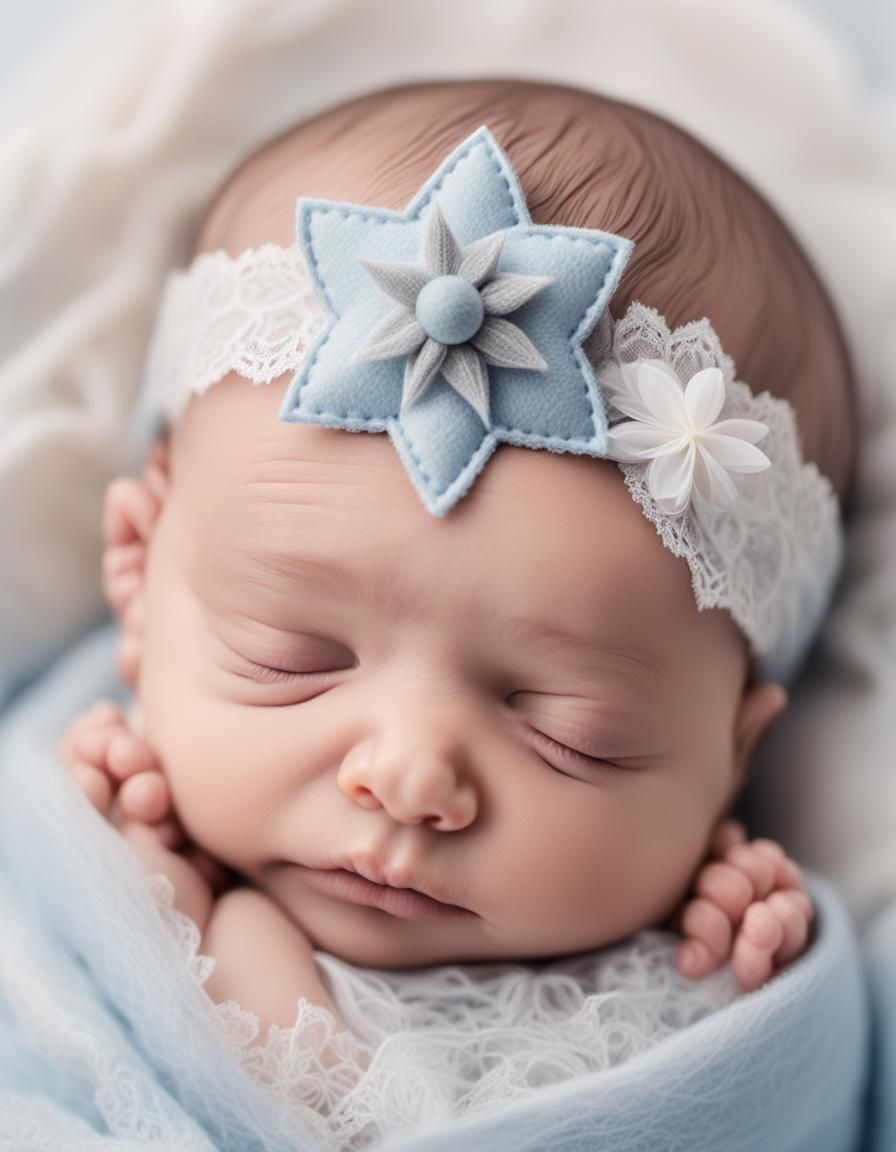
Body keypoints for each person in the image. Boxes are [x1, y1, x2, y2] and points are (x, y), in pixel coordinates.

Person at [57, 78, 851, 1044]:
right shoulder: (80, 806)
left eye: (571, 732)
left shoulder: (699, 980)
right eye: (293, 658)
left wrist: (747, 996)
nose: (408, 778)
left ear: (733, 751)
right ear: (137, 572)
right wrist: (152, 920)